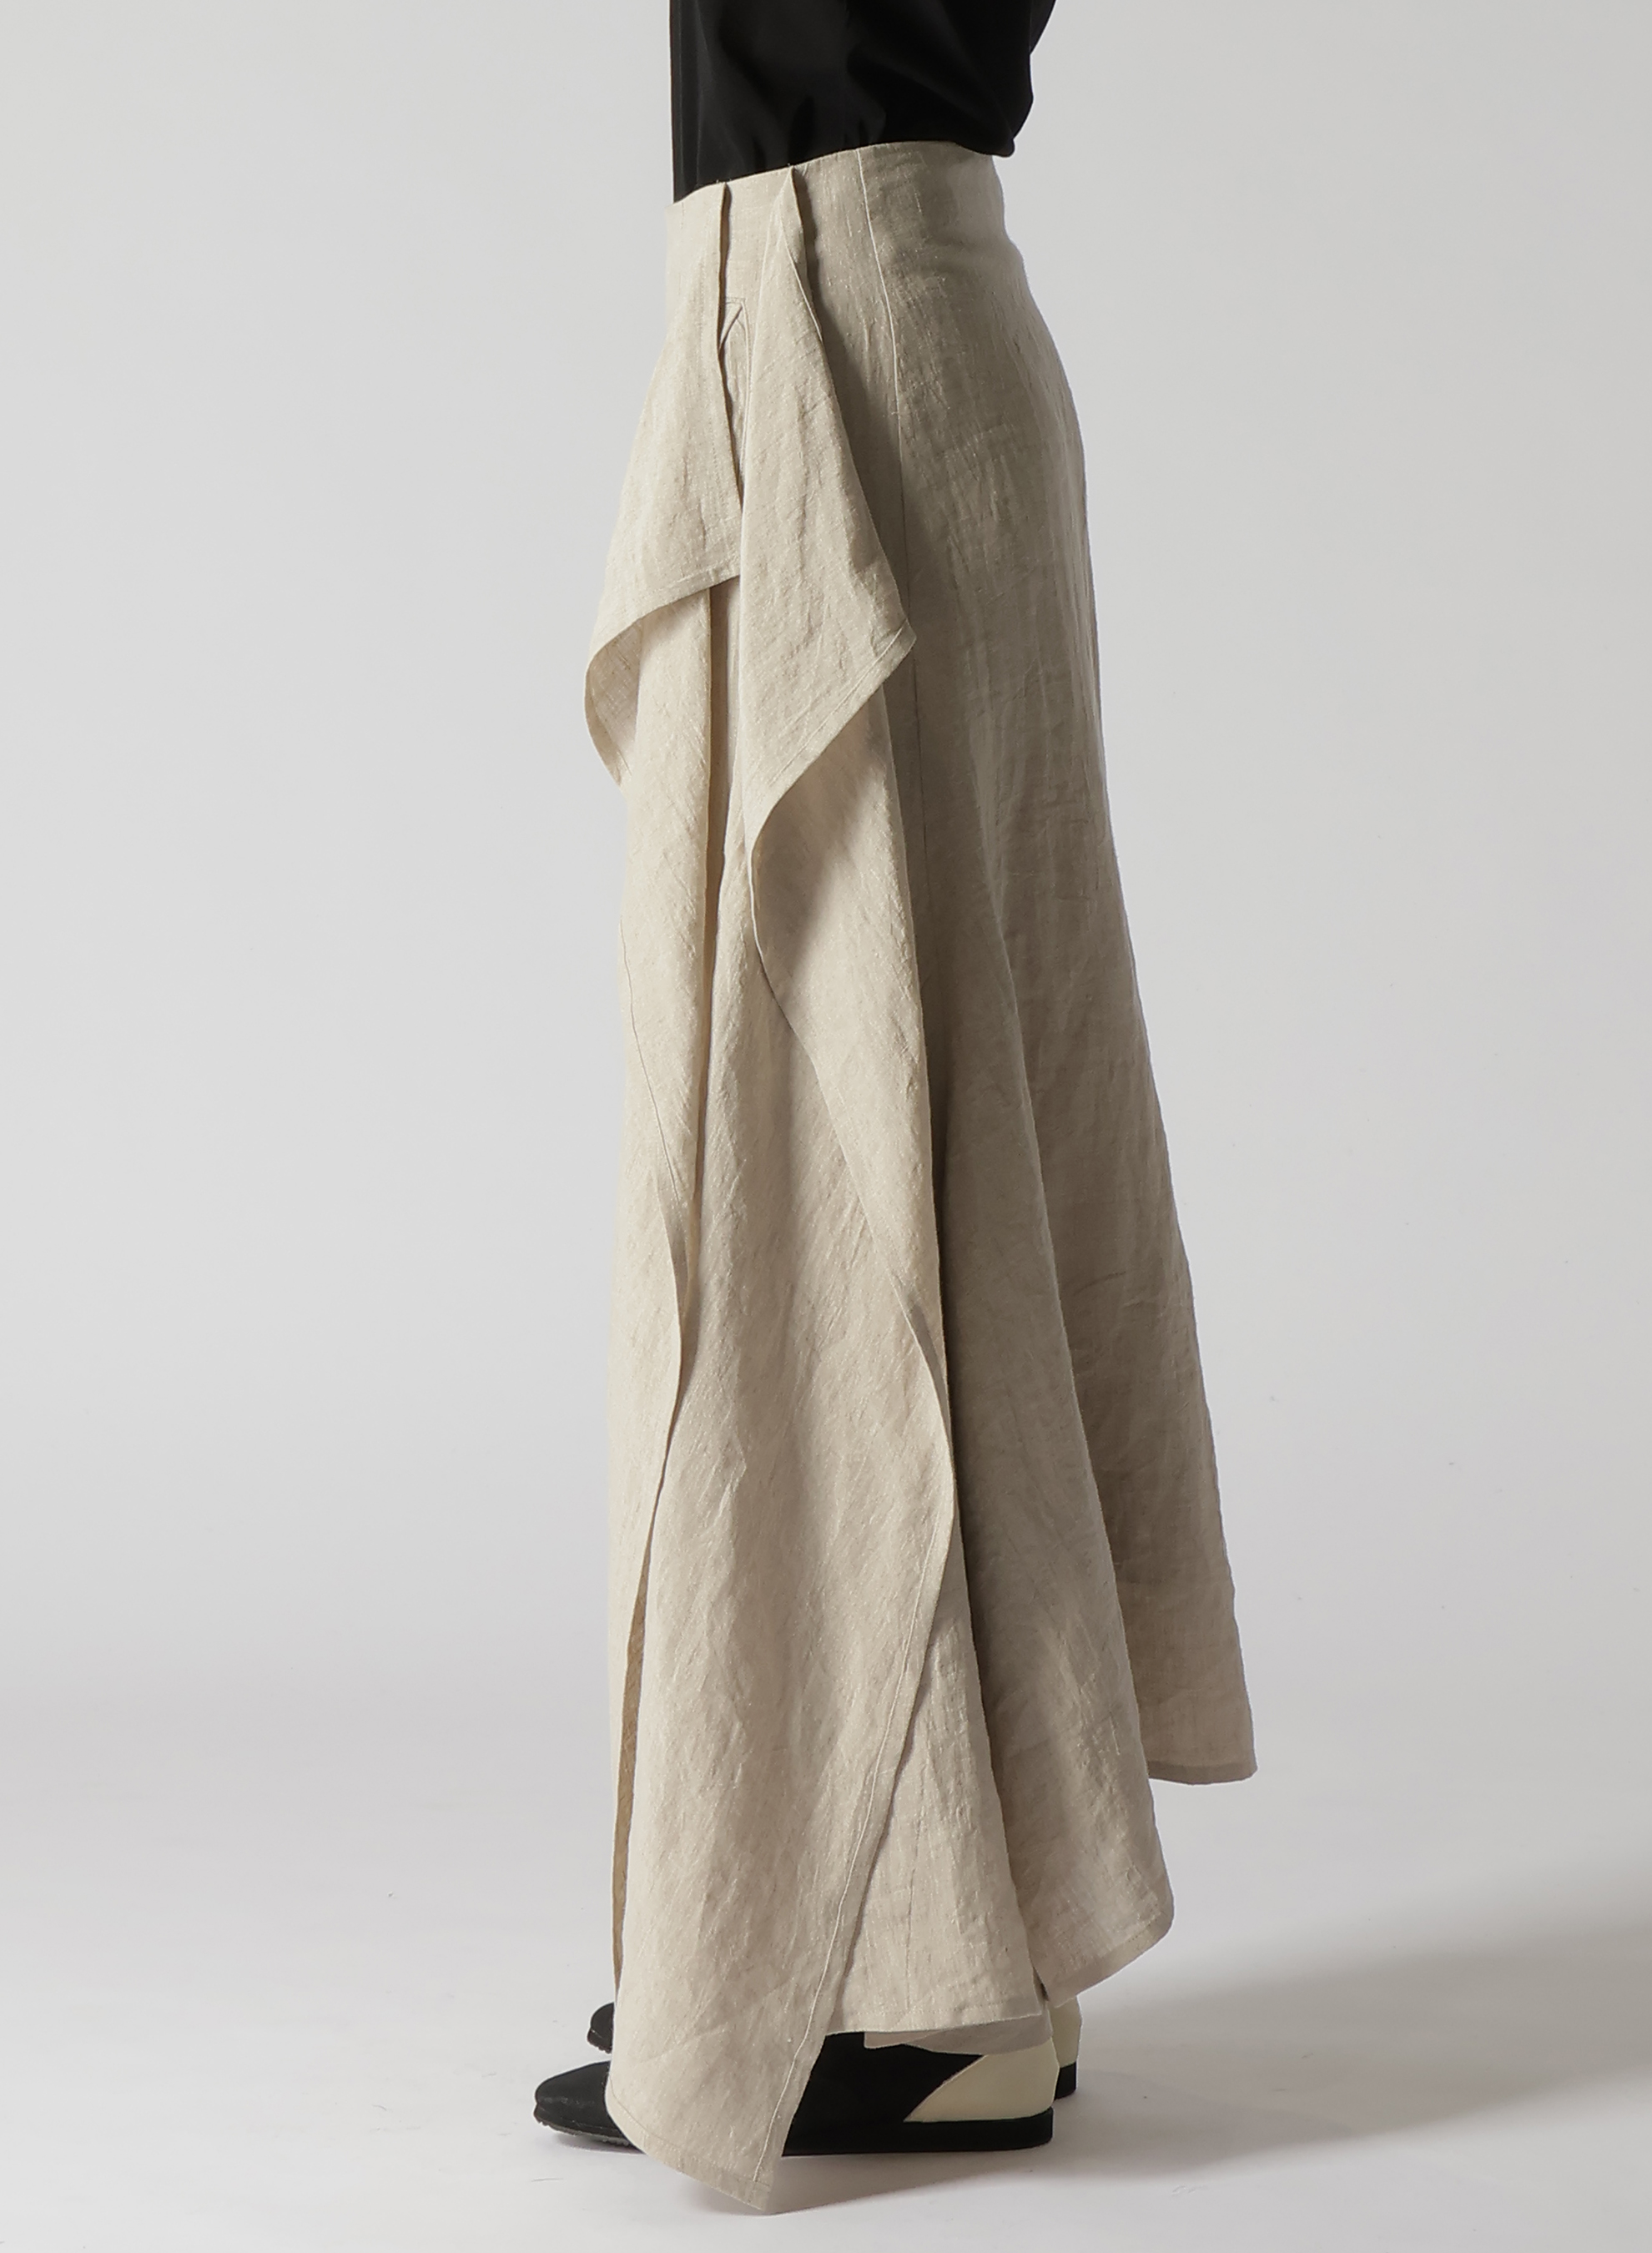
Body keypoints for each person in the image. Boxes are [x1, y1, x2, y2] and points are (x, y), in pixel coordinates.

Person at [533, 1, 1255, 2210]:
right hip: (855, 326)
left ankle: (925, 1986)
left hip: (841, 338)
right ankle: (931, 1926)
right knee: (912, 1147)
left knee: (842, 1172)